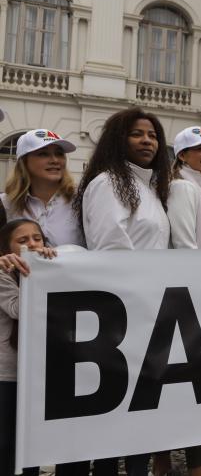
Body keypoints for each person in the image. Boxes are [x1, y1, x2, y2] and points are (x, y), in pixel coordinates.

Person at [72, 107, 172, 476]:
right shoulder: (108, 183)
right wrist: (140, 301)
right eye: (137, 134)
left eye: (153, 135)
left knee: (140, 417)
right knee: (112, 422)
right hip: (121, 317)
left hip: (150, 313)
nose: (147, 141)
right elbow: (111, 248)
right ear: (119, 139)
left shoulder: (150, 189)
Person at [160, 126, 201, 476]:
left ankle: (176, 463)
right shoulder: (184, 188)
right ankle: (191, 466)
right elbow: (184, 244)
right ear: (182, 155)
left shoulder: (197, 188)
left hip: (198, 295)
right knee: (193, 388)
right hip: (193, 300)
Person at [0, 220, 56, 476]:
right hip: (7, 374)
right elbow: (18, 309)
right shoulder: (3, 273)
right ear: (7, 248)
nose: (32, 244)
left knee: (30, 447)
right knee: (6, 444)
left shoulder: (49, 266)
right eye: (22, 241)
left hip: (36, 373)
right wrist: (37, 273)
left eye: (37, 238)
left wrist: (48, 266)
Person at [1, 129, 84, 247]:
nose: (55, 160)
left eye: (59, 154)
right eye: (43, 154)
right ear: (24, 161)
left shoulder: (81, 199)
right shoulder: (5, 204)